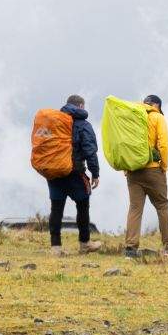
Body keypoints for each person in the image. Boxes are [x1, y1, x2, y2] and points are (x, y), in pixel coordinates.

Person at [123, 94, 168, 258]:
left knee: (135, 208)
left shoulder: (132, 116)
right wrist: (163, 165)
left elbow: (124, 143)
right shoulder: (157, 117)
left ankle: (130, 248)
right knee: (162, 206)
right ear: (157, 105)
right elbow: (164, 145)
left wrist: (126, 168)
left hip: (133, 170)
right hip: (153, 169)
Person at [48, 95, 100, 255]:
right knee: (83, 205)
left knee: (56, 208)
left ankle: (55, 247)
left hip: (54, 171)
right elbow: (90, 151)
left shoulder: (55, 122)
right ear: (81, 106)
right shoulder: (83, 125)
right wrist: (95, 173)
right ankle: (85, 244)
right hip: (74, 172)